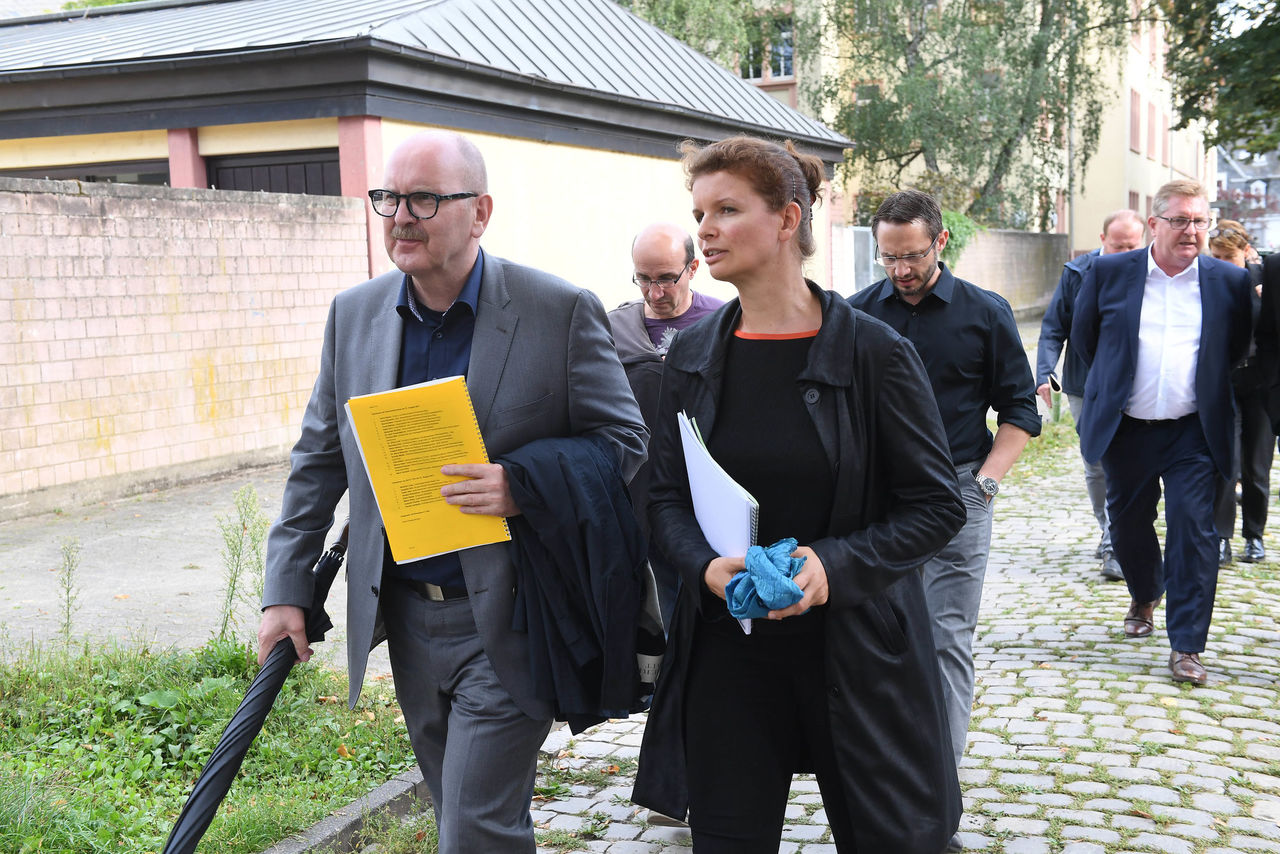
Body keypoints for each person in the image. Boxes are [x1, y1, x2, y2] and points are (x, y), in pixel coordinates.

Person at [256, 131, 647, 853]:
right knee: (470, 817)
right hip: (404, 619)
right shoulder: (354, 314)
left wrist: (524, 485)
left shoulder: (558, 310)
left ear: (481, 211)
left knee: (471, 831)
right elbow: (317, 461)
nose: (401, 216)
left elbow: (625, 445)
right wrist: (284, 590)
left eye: (425, 198)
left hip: (512, 614)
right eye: (389, 198)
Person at [632, 136, 966, 853]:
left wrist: (832, 567)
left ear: (788, 220)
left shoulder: (875, 354)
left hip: (856, 651)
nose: (706, 229)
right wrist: (703, 566)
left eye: (727, 209)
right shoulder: (691, 357)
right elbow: (663, 498)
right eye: (699, 212)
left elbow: (938, 506)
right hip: (730, 653)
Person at [848, 190, 1040, 846]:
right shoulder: (855, 316)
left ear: (940, 244)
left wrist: (985, 488)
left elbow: (1020, 410)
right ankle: (883, 780)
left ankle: (937, 795)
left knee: (946, 640)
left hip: (960, 493)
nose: (900, 270)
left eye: (912, 256)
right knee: (877, 643)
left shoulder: (985, 314)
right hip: (878, 503)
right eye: (889, 258)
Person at [1071, 179, 1252, 687]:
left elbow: (1235, 349)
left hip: (1194, 431)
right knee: (1129, 526)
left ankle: (1187, 646)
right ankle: (1144, 592)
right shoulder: (1109, 272)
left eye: (1200, 221)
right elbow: (1087, 341)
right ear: (1155, 224)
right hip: (1128, 428)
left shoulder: (1228, 283)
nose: (1191, 231)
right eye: (1180, 220)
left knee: (1195, 532)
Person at [609, 223, 723, 629]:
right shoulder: (612, 330)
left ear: (693, 268)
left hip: (705, 499)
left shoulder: (723, 323)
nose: (655, 293)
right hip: (636, 494)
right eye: (644, 279)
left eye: (665, 279)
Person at [1035, 210, 1146, 581]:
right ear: (1102, 238)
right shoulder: (1078, 273)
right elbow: (1053, 328)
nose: (1125, 252)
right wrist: (1043, 372)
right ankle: (1108, 528)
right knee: (1095, 461)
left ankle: (1116, 542)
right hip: (1084, 385)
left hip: (1134, 384)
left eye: (1133, 246)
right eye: (1118, 245)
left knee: (1128, 462)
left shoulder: (1149, 273)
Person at [1209, 221, 1270, 565]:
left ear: (1245, 253)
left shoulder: (1265, 282)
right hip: (1224, 383)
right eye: (1215, 255)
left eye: (1228, 256)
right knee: (1225, 464)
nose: (1221, 262)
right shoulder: (1209, 282)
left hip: (1259, 383)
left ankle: (1254, 536)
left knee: (1256, 467)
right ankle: (1221, 537)